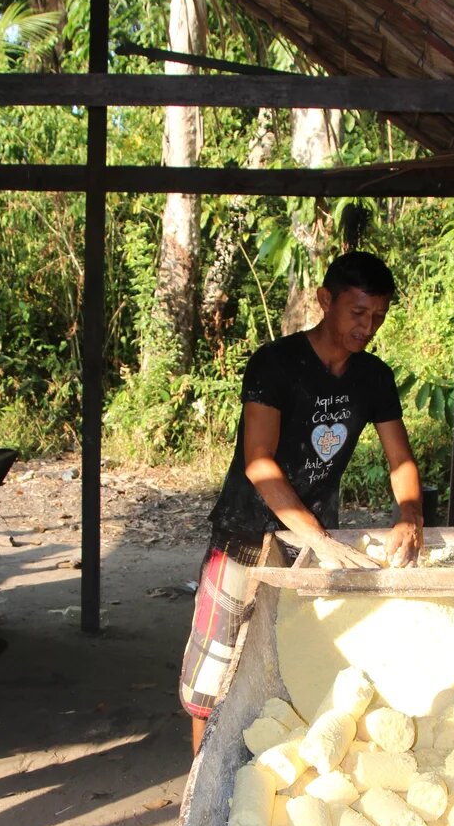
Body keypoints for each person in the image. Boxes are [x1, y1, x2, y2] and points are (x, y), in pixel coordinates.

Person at [180, 249, 424, 752]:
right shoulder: (276, 364)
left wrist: (410, 514)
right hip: (245, 533)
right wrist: (313, 533)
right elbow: (259, 461)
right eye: (358, 313)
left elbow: (400, 459)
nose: (368, 326)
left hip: (313, 541)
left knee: (295, 664)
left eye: (378, 316)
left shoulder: (373, 377)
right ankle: (199, 788)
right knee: (213, 674)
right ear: (324, 300)